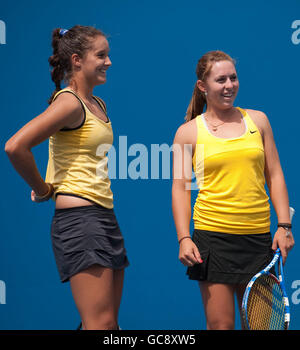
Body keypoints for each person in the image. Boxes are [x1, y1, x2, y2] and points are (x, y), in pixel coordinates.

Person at [5, 25, 129, 330]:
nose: (108, 62)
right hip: (81, 223)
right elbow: (15, 146)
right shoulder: (69, 102)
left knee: (107, 326)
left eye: (108, 55)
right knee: (100, 325)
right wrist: (43, 188)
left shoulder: (97, 104)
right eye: (101, 55)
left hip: (103, 217)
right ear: (77, 60)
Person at [172, 50, 295, 330]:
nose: (229, 85)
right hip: (213, 241)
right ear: (203, 87)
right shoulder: (188, 133)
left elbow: (274, 174)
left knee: (261, 327)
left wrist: (284, 226)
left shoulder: (258, 121)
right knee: (221, 326)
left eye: (233, 78)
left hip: (258, 240)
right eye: (220, 80)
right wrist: (183, 238)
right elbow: (180, 188)